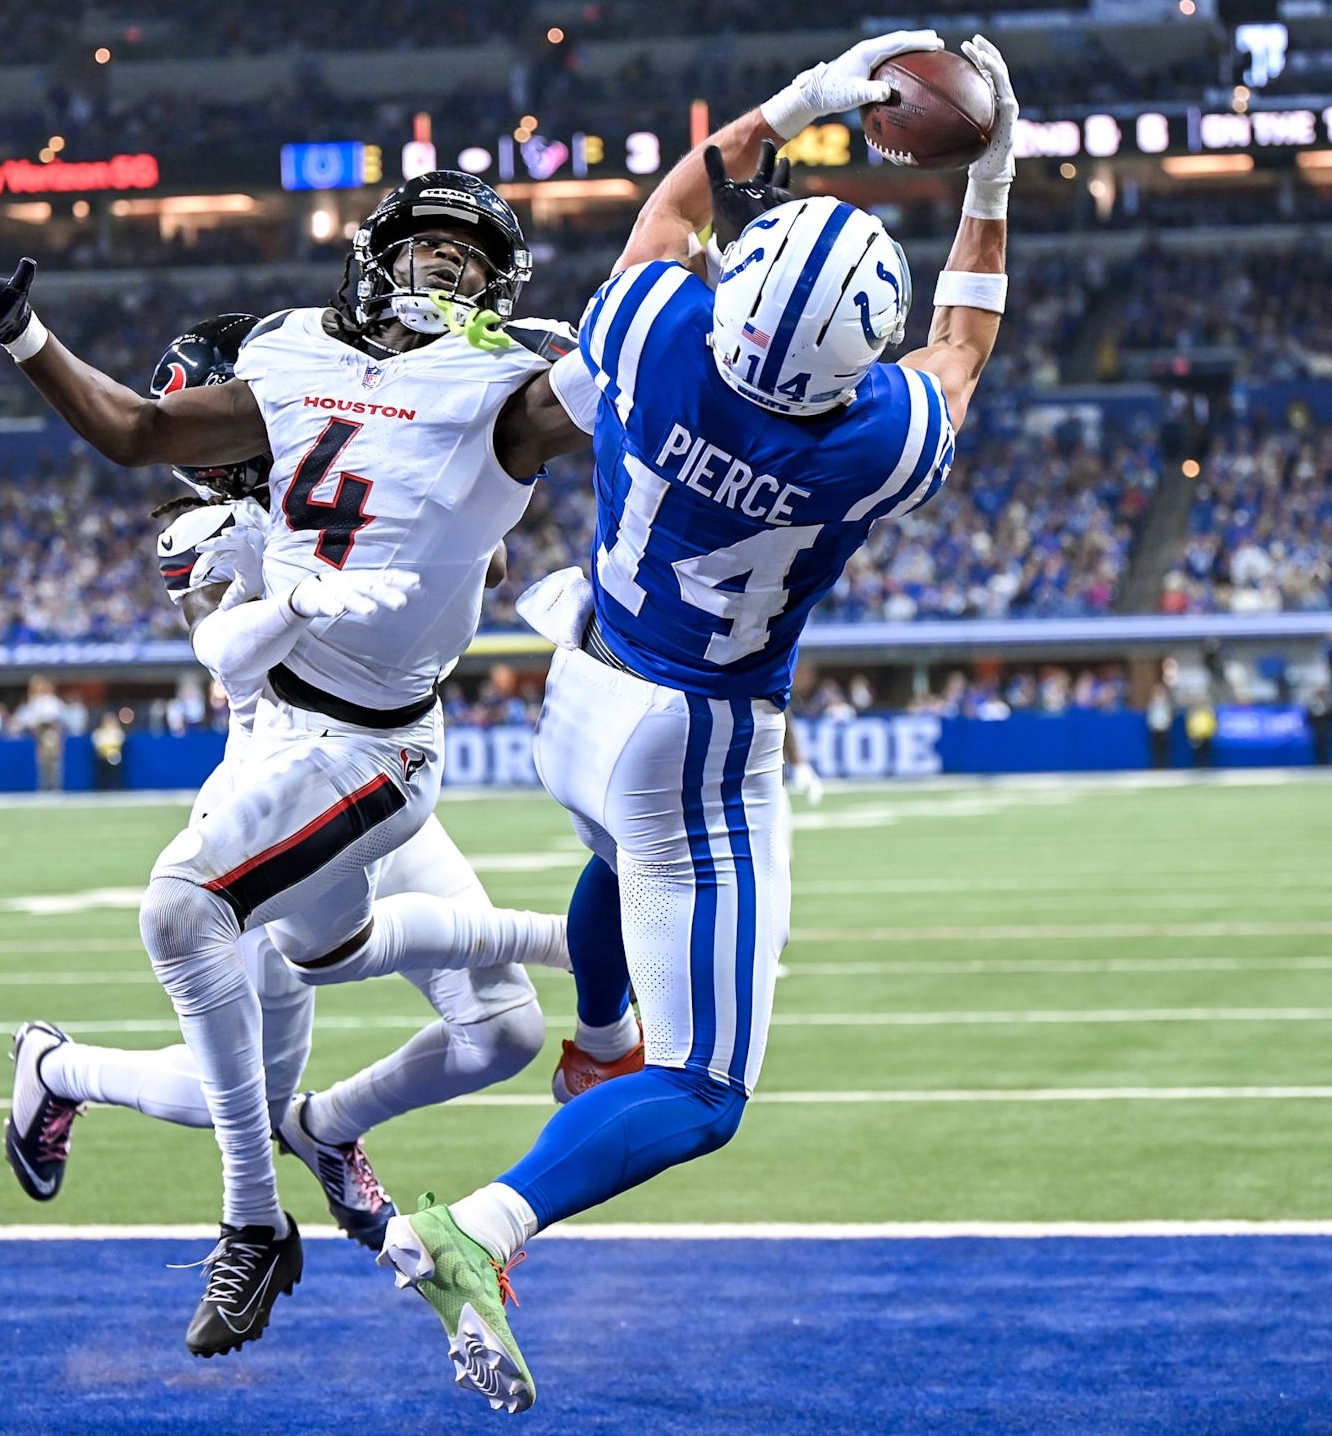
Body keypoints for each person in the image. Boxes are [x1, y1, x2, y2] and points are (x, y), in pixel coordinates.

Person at [374, 31, 1013, 1413]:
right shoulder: (872, 442)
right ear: (854, 357)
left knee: (618, 856)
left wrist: (799, 102)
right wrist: (993, 170)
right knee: (707, 1090)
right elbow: (960, 349)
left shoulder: (654, 334)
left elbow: (678, 207)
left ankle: (595, 1033)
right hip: (704, 740)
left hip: (580, 681)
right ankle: (478, 1230)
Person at [0, 170, 593, 1357]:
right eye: (429, 251)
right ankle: (120, 1107)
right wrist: (23, 334)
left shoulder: (484, 380)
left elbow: (551, 437)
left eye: (471, 262)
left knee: (497, 1030)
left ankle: (314, 1133)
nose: (449, 271)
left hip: (380, 746)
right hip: (285, 755)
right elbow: (154, 461)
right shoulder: (246, 448)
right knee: (247, 1026)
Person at [5, 319, 566, 1277]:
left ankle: (328, 1128)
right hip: (278, 807)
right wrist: (305, 590)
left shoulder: (358, 463)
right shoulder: (206, 529)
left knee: (506, 1032)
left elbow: (491, 559)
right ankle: (57, 1069)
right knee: (239, 1098)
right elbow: (218, 643)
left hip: (378, 780)